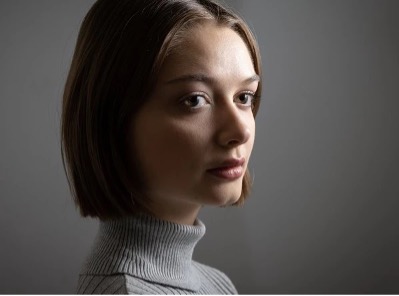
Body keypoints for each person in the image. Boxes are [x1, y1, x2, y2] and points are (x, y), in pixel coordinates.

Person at [61, 0, 262, 294]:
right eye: (194, 100)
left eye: (244, 97)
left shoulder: (217, 285)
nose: (241, 130)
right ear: (113, 118)